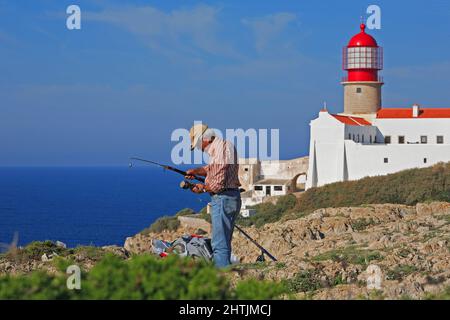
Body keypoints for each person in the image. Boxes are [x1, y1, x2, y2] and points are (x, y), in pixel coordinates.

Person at [185, 123, 241, 268]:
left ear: (205, 138)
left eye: (198, 144)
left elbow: (217, 185)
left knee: (219, 242)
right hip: (230, 196)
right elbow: (211, 169)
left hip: (223, 198)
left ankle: (222, 277)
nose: (198, 148)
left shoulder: (219, 150)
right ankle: (225, 271)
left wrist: (201, 188)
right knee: (224, 239)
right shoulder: (224, 146)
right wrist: (196, 171)